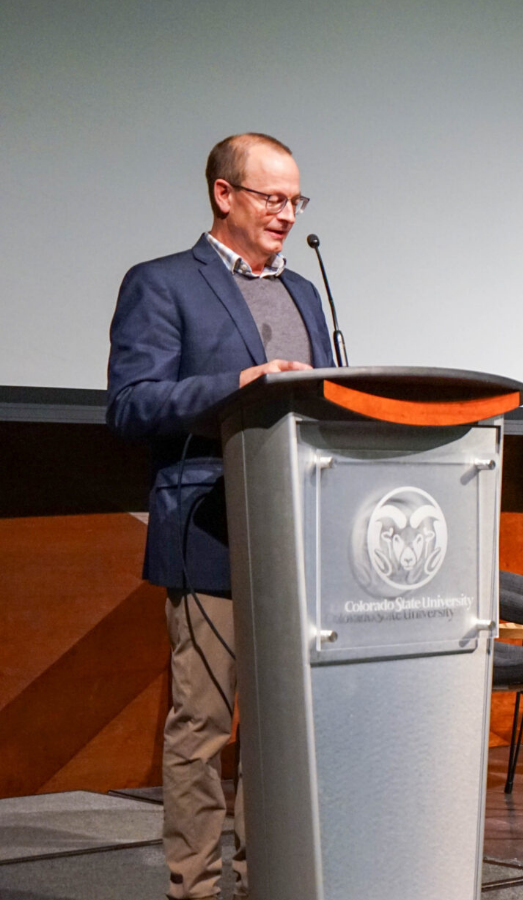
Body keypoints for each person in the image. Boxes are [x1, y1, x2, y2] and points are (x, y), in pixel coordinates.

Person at [106, 133, 333, 899]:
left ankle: (269, 879)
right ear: (223, 194)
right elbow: (131, 404)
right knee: (203, 729)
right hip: (209, 529)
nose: (286, 214)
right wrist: (237, 383)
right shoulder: (163, 283)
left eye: (295, 200)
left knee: (282, 734)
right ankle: (196, 888)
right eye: (272, 197)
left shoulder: (304, 290)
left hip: (299, 537)